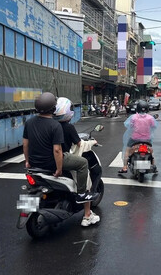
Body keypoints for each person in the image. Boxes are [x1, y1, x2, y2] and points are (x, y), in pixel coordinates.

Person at [22, 92, 99, 227]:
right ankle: (81, 194)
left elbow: (26, 144)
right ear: (53, 108)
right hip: (51, 163)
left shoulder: (29, 123)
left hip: (35, 165)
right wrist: (58, 169)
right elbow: (57, 150)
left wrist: (27, 161)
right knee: (83, 163)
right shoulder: (54, 125)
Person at [53, 96, 100, 227]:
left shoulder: (50, 125)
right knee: (86, 182)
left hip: (46, 161)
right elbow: (80, 144)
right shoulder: (68, 128)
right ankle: (87, 215)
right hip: (64, 159)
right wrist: (93, 142)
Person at [118, 99, 157, 174]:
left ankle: (125, 167)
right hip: (147, 139)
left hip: (134, 139)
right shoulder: (150, 118)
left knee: (127, 150)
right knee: (151, 152)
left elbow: (129, 125)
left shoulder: (133, 117)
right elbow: (154, 126)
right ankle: (153, 165)